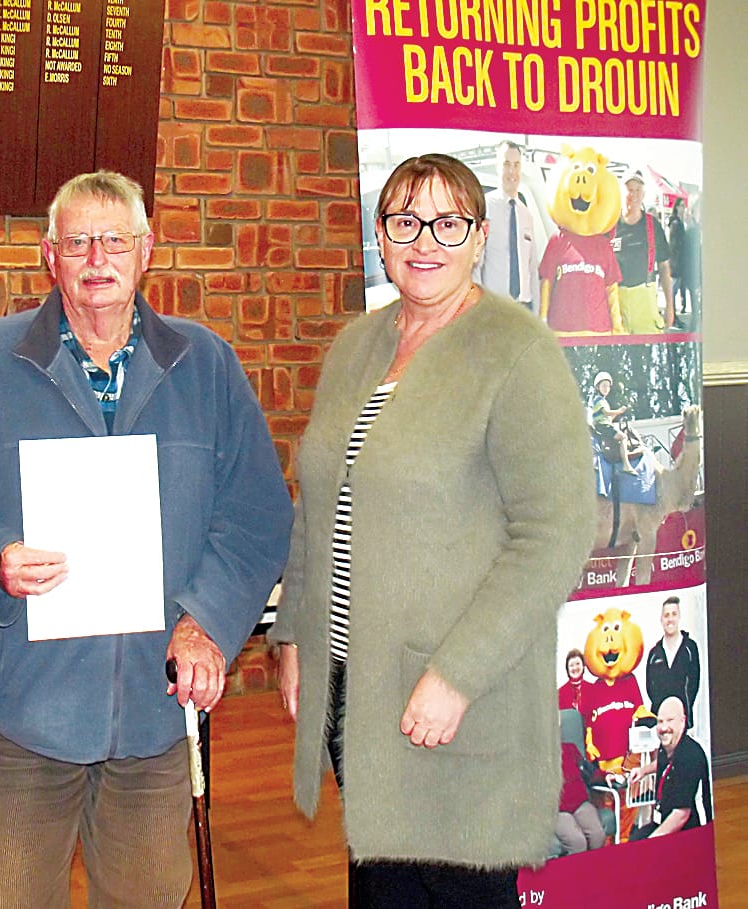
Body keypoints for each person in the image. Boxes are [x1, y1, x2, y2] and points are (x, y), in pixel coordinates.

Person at [0, 170, 291, 907]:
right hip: (25, 710)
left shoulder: (204, 365)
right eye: (77, 241)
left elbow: (254, 514)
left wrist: (205, 622)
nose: (96, 259)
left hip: (154, 710)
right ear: (49, 256)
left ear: (146, 252)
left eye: (114, 239)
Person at [269, 154, 593, 909]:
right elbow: (319, 501)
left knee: (458, 892)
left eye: (448, 222)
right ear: (379, 236)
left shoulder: (515, 350)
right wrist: (294, 634)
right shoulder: (357, 344)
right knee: (381, 889)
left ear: (479, 237)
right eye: (404, 220)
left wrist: (456, 675)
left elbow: (555, 532)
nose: (425, 240)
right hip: (361, 688)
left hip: (457, 699)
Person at [628, 697, 712, 839]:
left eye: (670, 720)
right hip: (663, 820)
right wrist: (642, 771)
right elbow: (663, 763)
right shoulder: (667, 746)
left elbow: (681, 814)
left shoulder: (690, 756)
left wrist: (652, 842)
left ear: (683, 721)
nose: (664, 727)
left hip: (690, 830)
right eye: (660, 721)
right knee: (635, 837)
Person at [610, 172, 673, 332]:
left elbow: (665, 268)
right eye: (629, 190)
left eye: (638, 190)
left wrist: (670, 307)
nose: (633, 194)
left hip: (646, 303)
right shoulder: (609, 226)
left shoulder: (653, 225)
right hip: (616, 305)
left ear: (643, 194)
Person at [480, 140, 537, 312]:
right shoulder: (485, 208)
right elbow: (475, 265)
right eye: (506, 164)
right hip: (494, 308)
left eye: (516, 165)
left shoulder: (526, 214)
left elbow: (532, 268)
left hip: (523, 308)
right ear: (498, 166)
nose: (512, 171)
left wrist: (537, 314)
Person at [645, 595, 701, 727]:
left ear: (679, 617)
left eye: (674, 614)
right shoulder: (654, 653)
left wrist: (682, 711)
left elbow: (694, 683)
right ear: (661, 619)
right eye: (666, 615)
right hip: (661, 722)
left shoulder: (689, 648)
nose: (670, 619)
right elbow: (650, 688)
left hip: (683, 720)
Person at [588, 371, 641, 474]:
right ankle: (626, 465)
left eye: (608, 386)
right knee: (624, 437)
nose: (606, 389)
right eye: (604, 386)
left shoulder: (602, 401)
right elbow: (606, 412)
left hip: (605, 425)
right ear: (597, 387)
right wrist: (619, 411)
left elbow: (608, 417)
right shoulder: (599, 400)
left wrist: (617, 414)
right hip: (603, 427)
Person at [667, 198, 692, 320]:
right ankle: (672, 316)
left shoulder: (677, 223)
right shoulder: (677, 224)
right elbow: (675, 246)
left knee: (675, 290)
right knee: (673, 291)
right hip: (677, 264)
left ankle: (673, 314)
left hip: (677, 263)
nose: (683, 208)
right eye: (681, 205)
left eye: (684, 206)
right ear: (676, 207)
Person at [558, 648, 587, 712]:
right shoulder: (560, 693)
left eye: (577, 664)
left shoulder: (593, 689)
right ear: (567, 669)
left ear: (583, 666)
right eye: (571, 665)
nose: (575, 668)